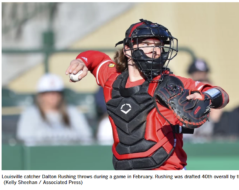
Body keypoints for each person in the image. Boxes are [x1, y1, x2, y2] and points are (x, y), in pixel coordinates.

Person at [65, 19, 229, 170]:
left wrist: (206, 98)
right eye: (147, 44)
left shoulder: (171, 83)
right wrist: (82, 61)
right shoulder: (112, 80)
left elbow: (221, 93)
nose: (154, 50)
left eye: (158, 45)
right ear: (128, 50)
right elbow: (96, 58)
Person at [17, 73, 92, 144]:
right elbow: (25, 142)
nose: (53, 96)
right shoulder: (30, 114)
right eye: (48, 92)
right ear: (40, 95)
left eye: (57, 92)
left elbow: (86, 139)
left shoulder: (72, 112)